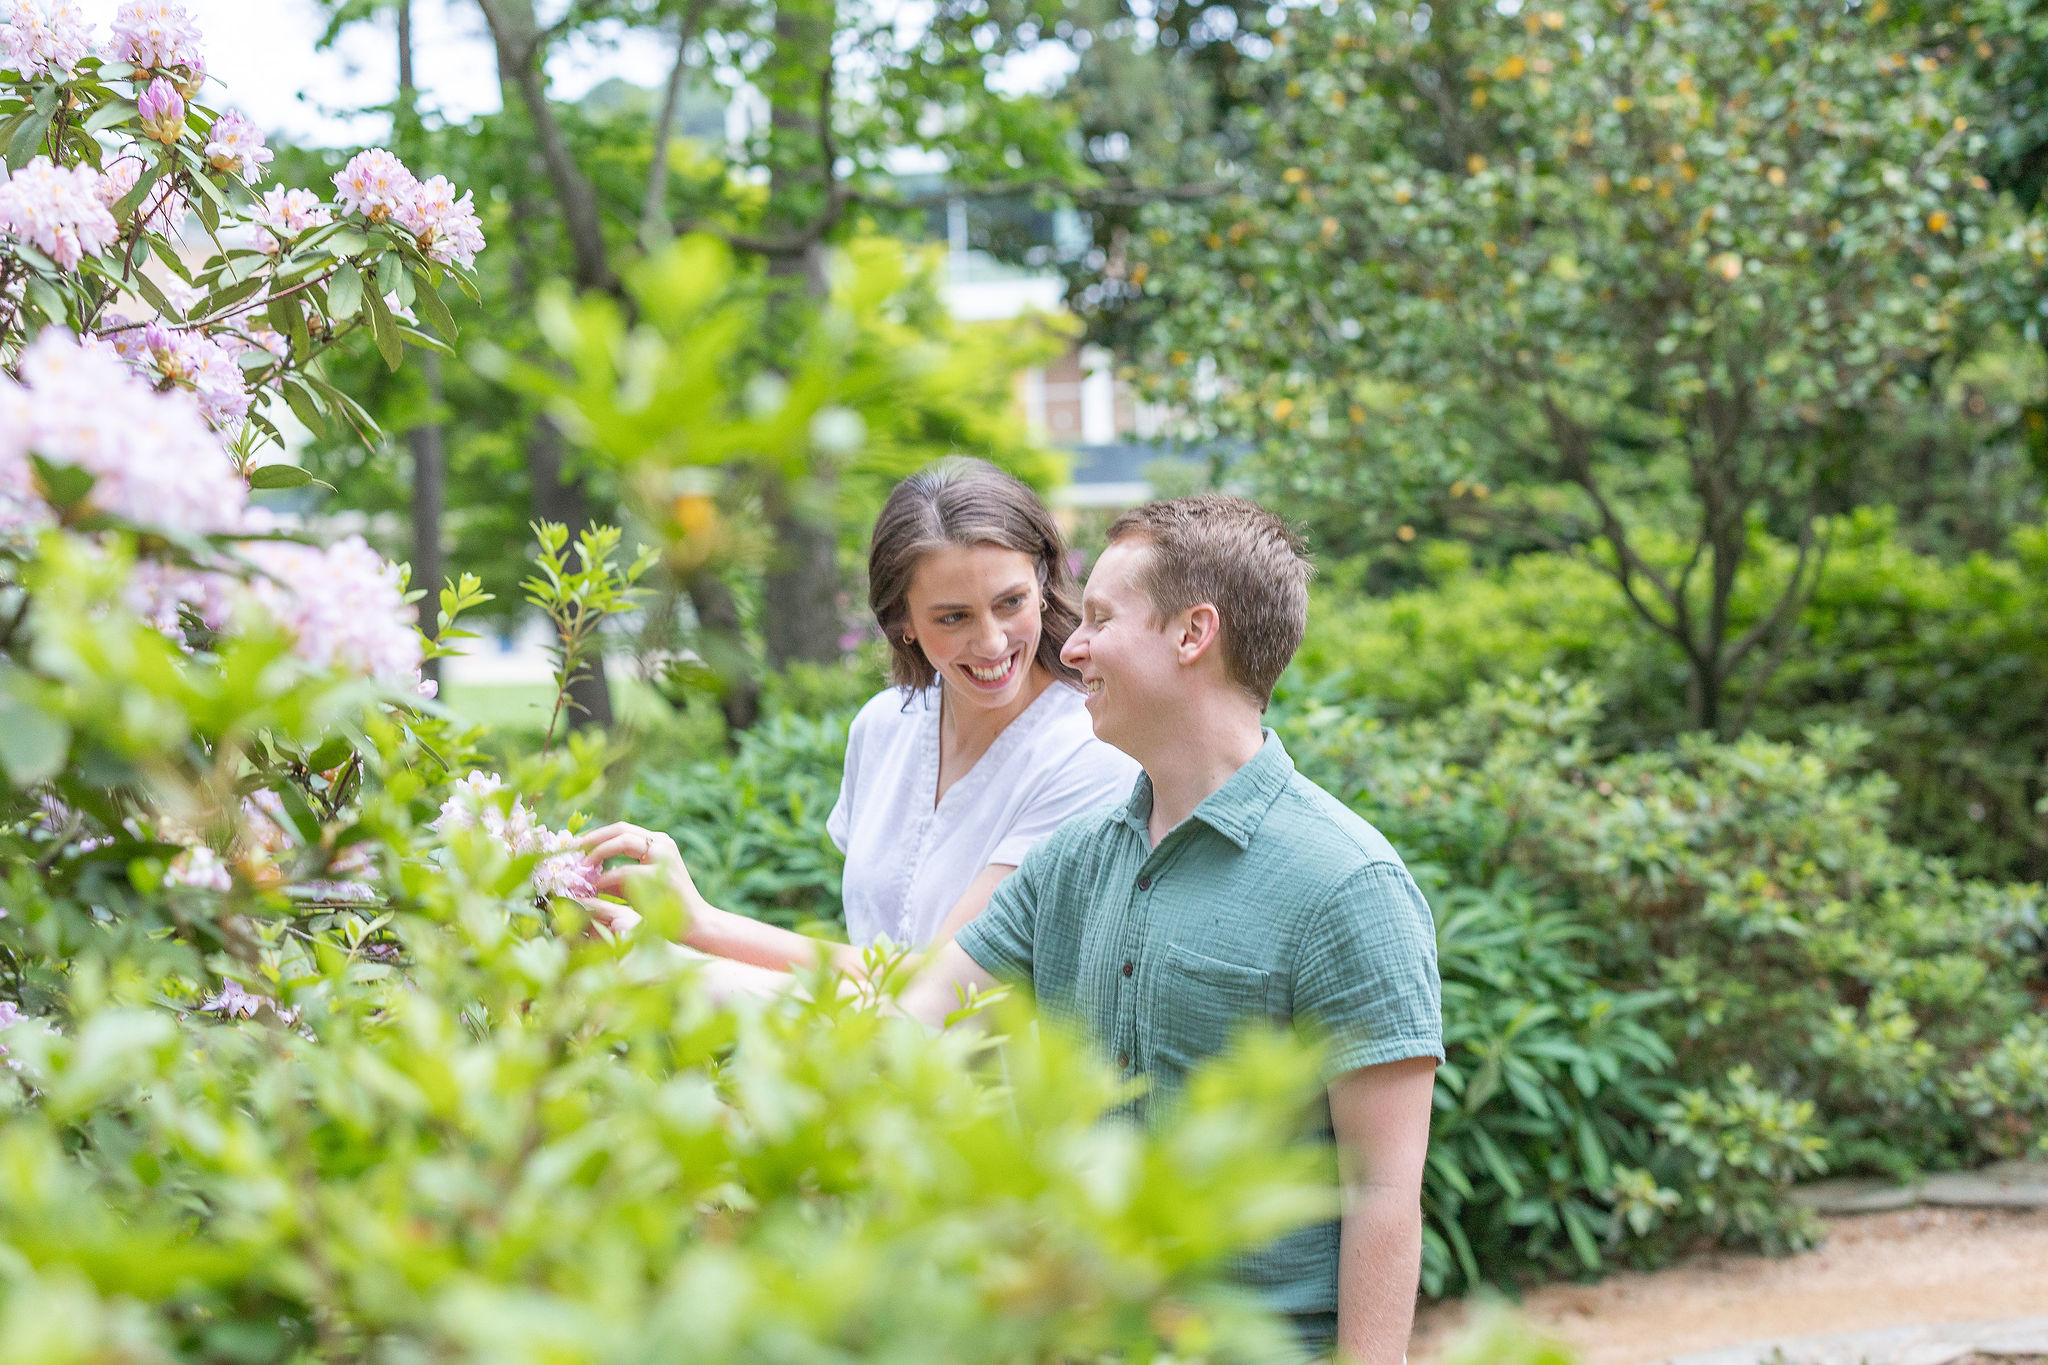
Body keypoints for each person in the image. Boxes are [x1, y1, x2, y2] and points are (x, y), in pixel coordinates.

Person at [897, 494, 1444, 1365]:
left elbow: (1380, 1190)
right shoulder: (1069, 860)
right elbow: (909, 1020)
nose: (1069, 646)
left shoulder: (1349, 885)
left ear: (1193, 634)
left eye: (1103, 618)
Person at [581, 458, 1139, 972]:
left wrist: (698, 930)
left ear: (1043, 583)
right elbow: (875, 954)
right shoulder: (883, 727)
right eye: (953, 617)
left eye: (1010, 602)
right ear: (904, 622)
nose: (991, 642)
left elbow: (939, 986)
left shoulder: (1091, 753)